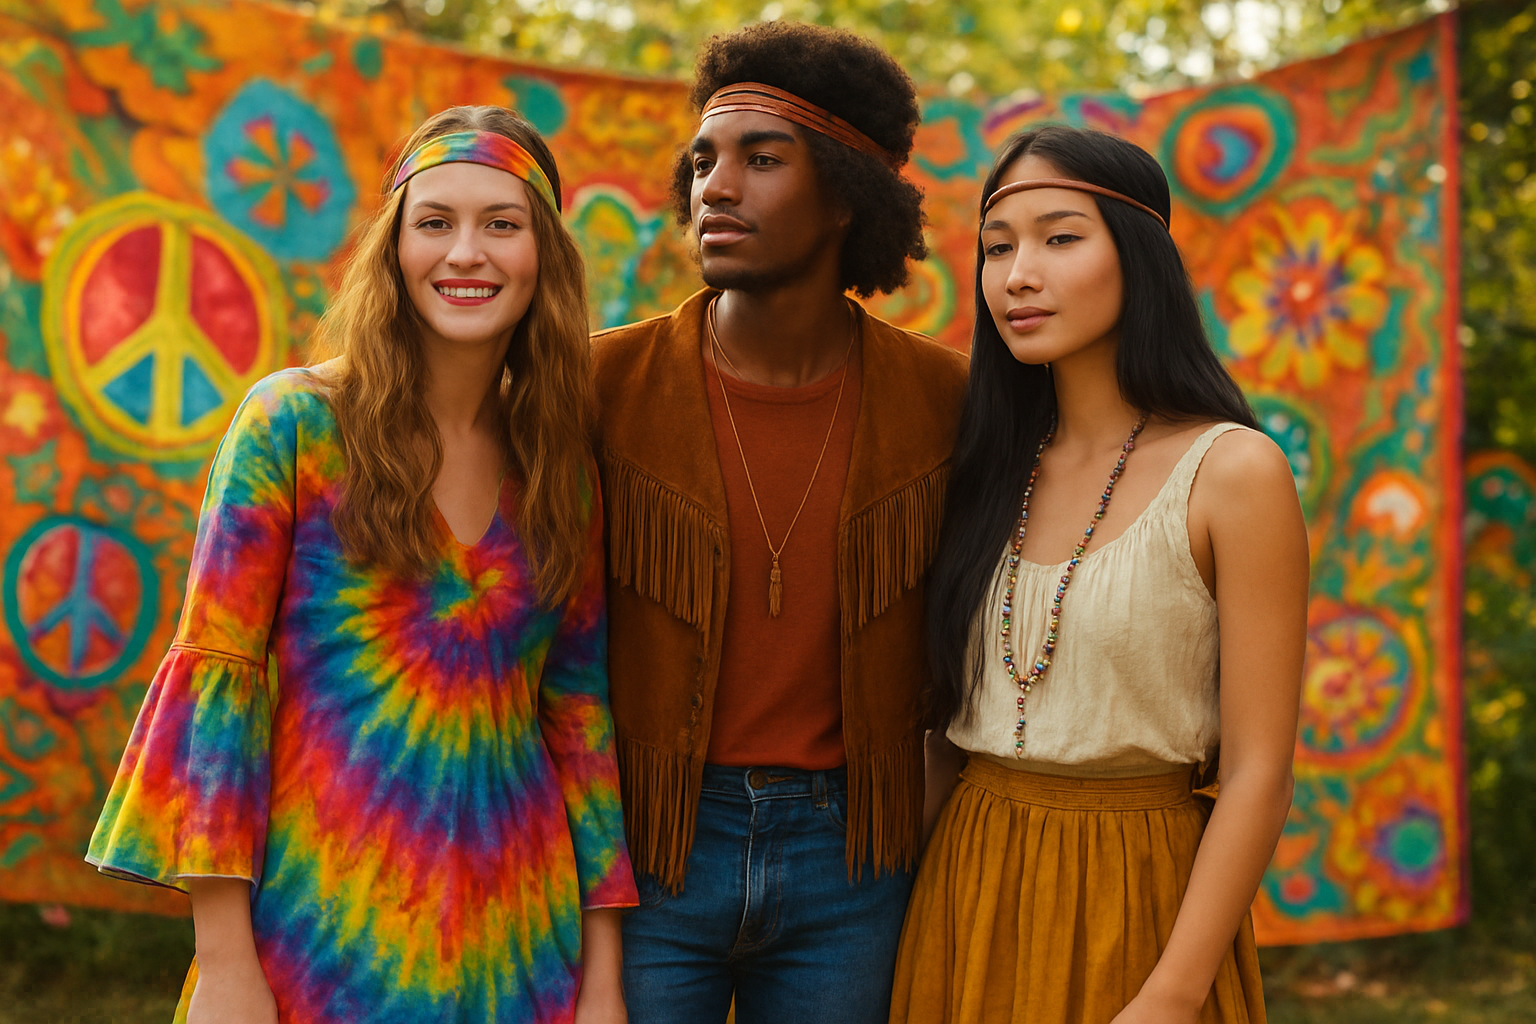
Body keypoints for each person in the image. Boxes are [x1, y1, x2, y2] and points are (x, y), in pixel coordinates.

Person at [86, 107, 637, 1024]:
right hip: (314, 944)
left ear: (544, 255)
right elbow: (219, 685)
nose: (468, 252)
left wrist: (604, 978)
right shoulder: (293, 427)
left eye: (502, 223)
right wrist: (224, 961)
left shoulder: (562, 466)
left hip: (522, 956)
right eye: (436, 222)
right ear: (394, 249)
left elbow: (578, 718)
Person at [590, 22, 968, 1024]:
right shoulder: (601, 387)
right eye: (705, 159)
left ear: (846, 192)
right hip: (650, 844)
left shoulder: (944, 402)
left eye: (763, 160)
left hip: (853, 858)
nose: (717, 187)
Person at [891, 125, 1308, 1024]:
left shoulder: (1230, 472)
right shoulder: (980, 468)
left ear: (1142, 257)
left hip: (1142, 899)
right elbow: (945, 739)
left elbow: (1259, 774)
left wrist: (1172, 994)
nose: (1018, 275)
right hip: (965, 893)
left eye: (1060, 237)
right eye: (998, 248)